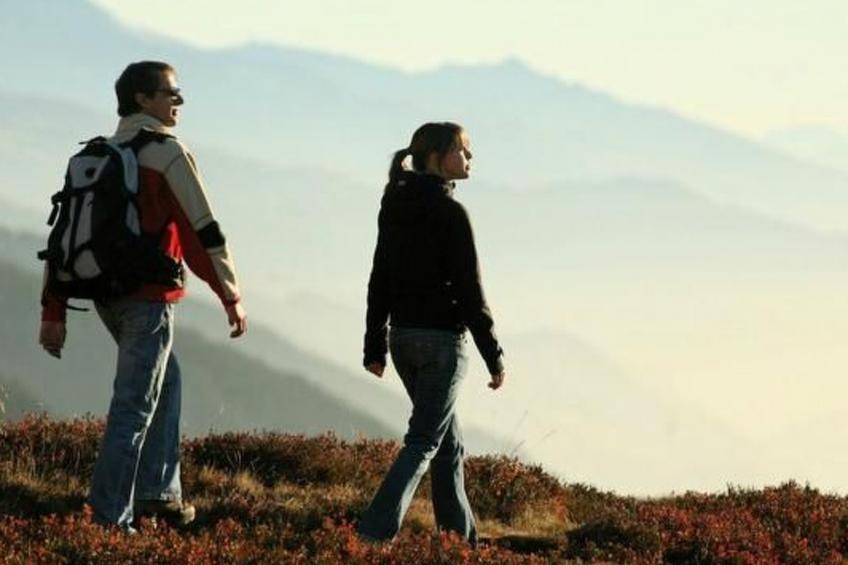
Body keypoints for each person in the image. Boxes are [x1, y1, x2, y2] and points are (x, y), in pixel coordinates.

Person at [38, 61, 247, 531]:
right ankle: (109, 519)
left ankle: (158, 493)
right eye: (170, 92)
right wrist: (229, 293)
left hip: (104, 294)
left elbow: (61, 237)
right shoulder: (167, 153)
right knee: (134, 405)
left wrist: (53, 310)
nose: (179, 101)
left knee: (165, 381)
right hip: (149, 298)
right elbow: (202, 230)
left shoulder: (96, 155)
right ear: (141, 99)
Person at [359, 122, 506, 545]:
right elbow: (469, 290)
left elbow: (379, 276)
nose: (470, 159)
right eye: (464, 150)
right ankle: (372, 535)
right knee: (424, 441)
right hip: (442, 343)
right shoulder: (451, 213)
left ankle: (460, 541)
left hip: (403, 340)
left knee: (448, 444)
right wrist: (492, 354)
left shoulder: (394, 203)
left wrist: (374, 344)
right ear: (439, 156)